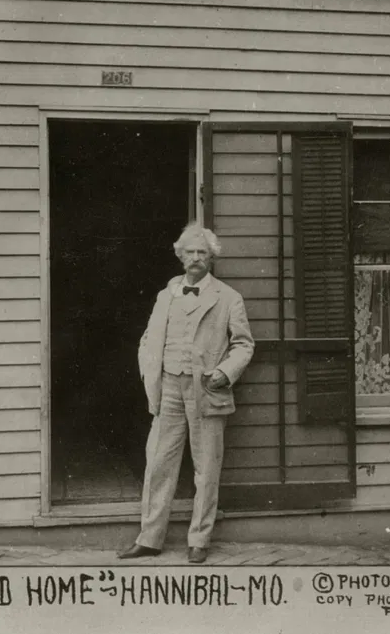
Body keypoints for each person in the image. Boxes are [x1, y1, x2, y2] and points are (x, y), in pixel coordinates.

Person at [117, 222, 255, 565]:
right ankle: (149, 538)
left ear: (211, 258)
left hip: (206, 390)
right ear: (180, 256)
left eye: (202, 253)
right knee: (159, 463)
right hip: (169, 389)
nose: (195, 258)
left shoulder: (228, 298)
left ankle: (199, 539)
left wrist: (224, 373)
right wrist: (151, 372)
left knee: (206, 467)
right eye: (190, 252)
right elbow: (149, 338)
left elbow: (243, 345)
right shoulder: (167, 295)